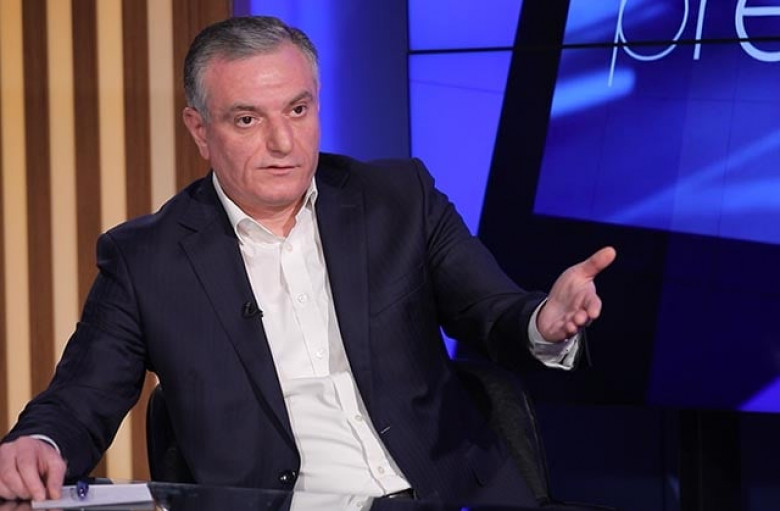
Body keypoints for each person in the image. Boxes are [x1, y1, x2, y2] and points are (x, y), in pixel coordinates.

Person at [0, 16, 616, 507]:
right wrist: (38, 443)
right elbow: (80, 397)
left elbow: (492, 310)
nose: (283, 143)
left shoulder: (400, 199)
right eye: (248, 119)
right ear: (200, 130)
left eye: (298, 110)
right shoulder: (146, 259)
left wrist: (544, 321)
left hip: (451, 495)